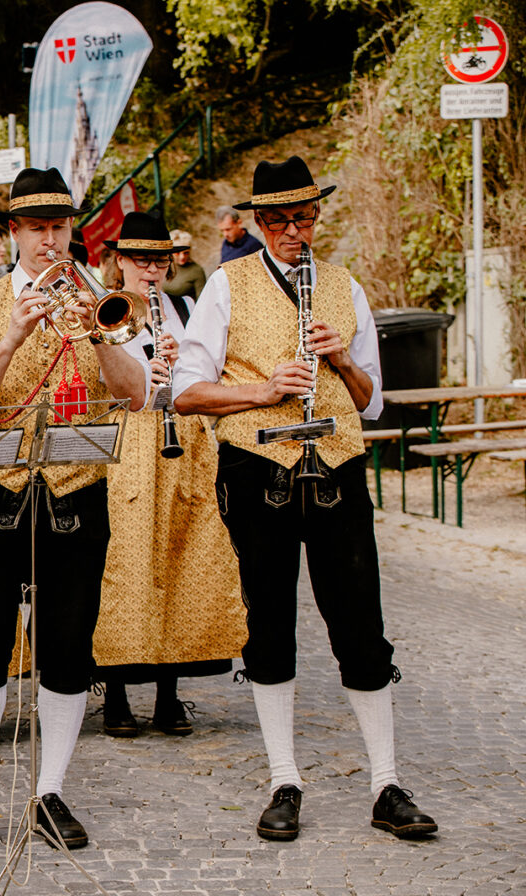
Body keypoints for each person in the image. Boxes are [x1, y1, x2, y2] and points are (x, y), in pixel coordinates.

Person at [174, 156, 437, 843]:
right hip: (258, 467)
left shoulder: (344, 286)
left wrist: (341, 358)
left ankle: (386, 783)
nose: (296, 232)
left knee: (360, 622)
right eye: (282, 221)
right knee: (270, 622)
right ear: (260, 223)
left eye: (306, 218)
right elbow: (187, 392)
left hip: (337, 469)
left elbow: (371, 402)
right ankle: (283, 778)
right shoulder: (227, 284)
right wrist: (261, 390)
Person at [0, 168, 151, 855]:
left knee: (68, 646)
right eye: (36, 229)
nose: (50, 241)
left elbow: (137, 395)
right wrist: (10, 337)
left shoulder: (102, 300)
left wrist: (98, 335)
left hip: (76, 490)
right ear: (13, 234)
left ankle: (50, 792)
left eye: (59, 228)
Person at [89, 212, 246, 738]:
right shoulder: (104, 308)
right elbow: (103, 380)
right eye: (140, 260)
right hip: (128, 441)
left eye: (159, 261)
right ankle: (115, 692)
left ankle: (168, 694)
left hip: (182, 442)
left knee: (182, 560)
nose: (151, 270)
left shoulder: (182, 307)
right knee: (125, 565)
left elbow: (203, 375)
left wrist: (178, 367)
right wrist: (142, 371)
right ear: (120, 262)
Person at [163, 230, 206, 300]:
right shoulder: (165, 266)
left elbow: (202, 300)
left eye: (186, 253)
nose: (182, 257)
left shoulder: (196, 271)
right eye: (177, 253)